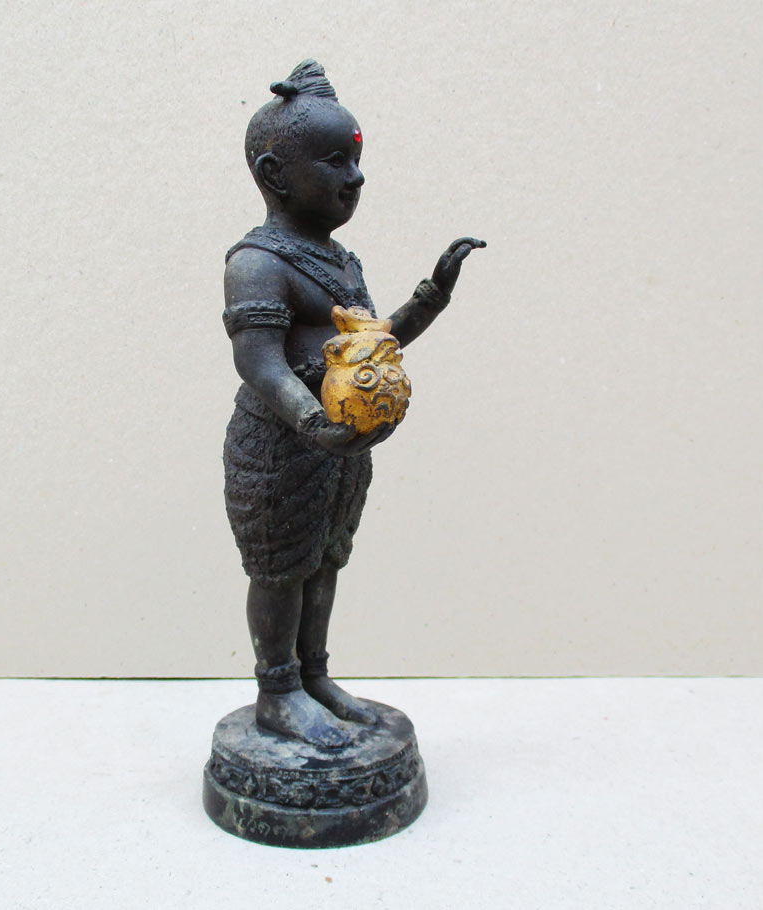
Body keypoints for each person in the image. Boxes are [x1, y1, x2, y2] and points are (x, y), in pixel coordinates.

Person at [223, 60, 485, 748]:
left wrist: (432, 296)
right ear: (276, 174)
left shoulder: (342, 261)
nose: (356, 177)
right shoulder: (257, 262)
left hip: (341, 447)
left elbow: (371, 343)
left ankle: (314, 676)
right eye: (335, 161)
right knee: (281, 566)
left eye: (357, 159)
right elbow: (259, 361)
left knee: (325, 558)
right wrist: (312, 420)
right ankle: (278, 690)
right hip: (281, 444)